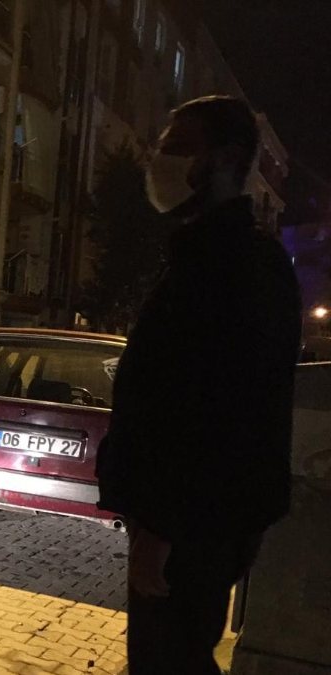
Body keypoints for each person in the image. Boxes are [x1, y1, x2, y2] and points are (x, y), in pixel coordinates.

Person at [96, 96, 301, 675]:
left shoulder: (237, 265)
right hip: (187, 520)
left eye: (180, 147)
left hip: (191, 525)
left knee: (168, 660)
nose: (159, 160)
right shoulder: (206, 255)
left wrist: (163, 528)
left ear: (227, 159)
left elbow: (222, 412)